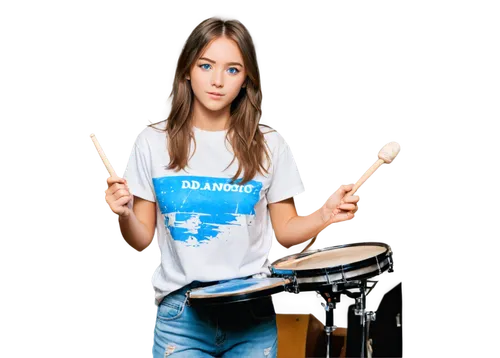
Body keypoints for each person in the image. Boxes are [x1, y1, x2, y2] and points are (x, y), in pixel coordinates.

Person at [103, 13, 361, 358]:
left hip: (251, 311)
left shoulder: (269, 144)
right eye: (206, 65)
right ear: (187, 70)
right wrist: (123, 214)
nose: (218, 81)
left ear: (246, 79)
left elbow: (285, 232)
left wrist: (326, 213)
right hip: (181, 315)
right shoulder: (153, 142)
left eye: (233, 69)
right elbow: (140, 239)